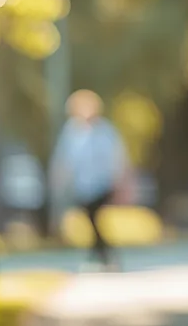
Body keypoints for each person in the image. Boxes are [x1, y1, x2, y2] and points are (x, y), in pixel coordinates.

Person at [50, 89, 130, 271]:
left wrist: (121, 182)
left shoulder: (105, 131)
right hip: (82, 185)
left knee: (93, 218)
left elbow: (117, 158)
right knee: (92, 221)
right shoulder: (72, 131)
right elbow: (65, 159)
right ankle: (100, 255)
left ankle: (101, 255)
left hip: (102, 184)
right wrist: (60, 181)